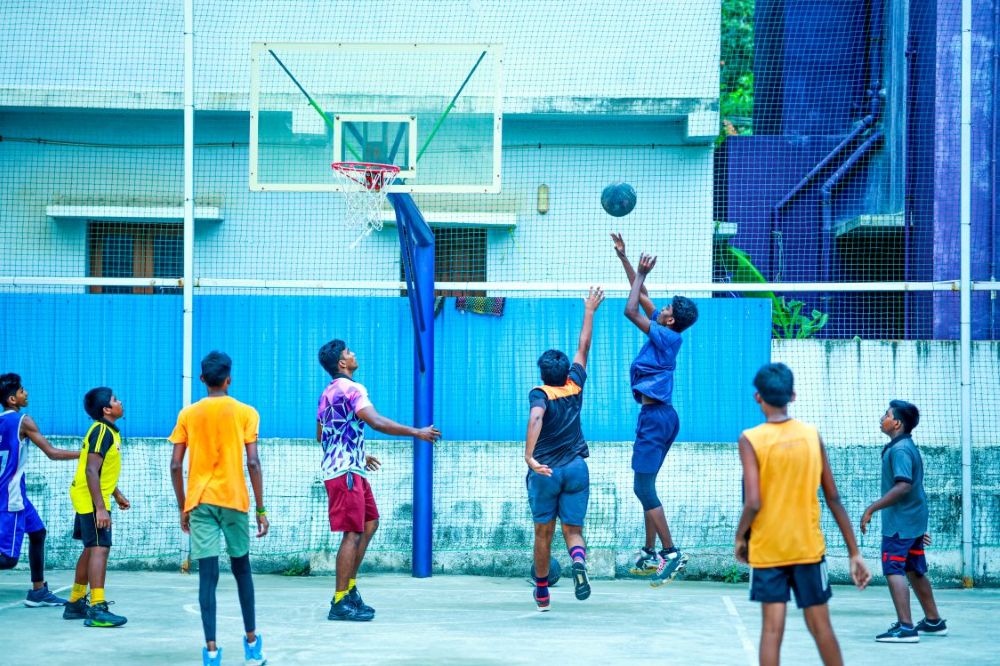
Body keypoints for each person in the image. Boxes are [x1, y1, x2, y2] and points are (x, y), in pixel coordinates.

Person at [735, 363, 871, 666]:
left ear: (758, 397)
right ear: (793, 395)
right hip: (807, 548)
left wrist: (740, 537)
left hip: (768, 549)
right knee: (822, 628)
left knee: (771, 631)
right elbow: (833, 497)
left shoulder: (750, 439)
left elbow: (753, 502)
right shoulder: (811, 435)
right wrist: (854, 552)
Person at [317, 339, 441, 622]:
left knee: (370, 523)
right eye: (348, 352)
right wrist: (417, 432)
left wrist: (358, 452)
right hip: (345, 472)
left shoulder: (326, 393)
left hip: (349, 467)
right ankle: (339, 601)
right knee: (352, 532)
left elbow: (322, 435)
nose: (353, 354)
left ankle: (349, 590)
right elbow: (376, 422)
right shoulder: (353, 389)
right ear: (342, 363)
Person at [169, 352, 268, 666]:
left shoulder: (188, 414)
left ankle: (211, 652)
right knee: (242, 570)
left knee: (207, 577)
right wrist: (261, 509)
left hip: (200, 502)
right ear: (229, 379)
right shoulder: (246, 412)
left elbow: (175, 465)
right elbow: (253, 462)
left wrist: (184, 505)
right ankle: (252, 645)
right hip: (234, 499)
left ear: (202, 379)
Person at [614, 240, 699, 587]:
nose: (660, 306)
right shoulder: (664, 328)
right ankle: (650, 553)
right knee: (647, 486)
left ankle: (670, 552)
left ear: (671, 319)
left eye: (665, 307)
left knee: (642, 487)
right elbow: (642, 294)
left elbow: (630, 309)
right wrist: (626, 261)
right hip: (662, 417)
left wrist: (641, 274)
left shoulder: (668, 337)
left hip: (656, 418)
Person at [525, 287, 605, 611]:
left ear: (543, 374)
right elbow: (583, 346)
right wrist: (589, 310)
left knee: (543, 534)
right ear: (564, 371)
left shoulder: (540, 393)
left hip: (546, 471)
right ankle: (579, 563)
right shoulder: (575, 385)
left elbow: (536, 417)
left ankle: (543, 593)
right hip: (575, 468)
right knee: (573, 530)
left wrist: (529, 457)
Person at [861, 400, 947, 642]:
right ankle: (933, 621)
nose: (882, 418)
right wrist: (917, 528)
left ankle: (906, 628)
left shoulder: (900, 450)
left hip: (900, 524)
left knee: (893, 568)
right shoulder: (904, 446)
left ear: (897, 423)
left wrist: (871, 508)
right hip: (912, 521)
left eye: (887, 415)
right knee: (913, 569)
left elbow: (903, 486)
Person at [0, 373, 78, 607]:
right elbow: (52, 453)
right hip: (10, 496)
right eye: (22, 391)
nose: (26, 393)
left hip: (16, 493)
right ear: (12, 399)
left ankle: (38, 591)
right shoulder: (23, 421)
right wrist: (86, 454)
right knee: (8, 559)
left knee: (38, 533)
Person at [63, 387, 130, 627]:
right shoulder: (102, 431)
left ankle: (75, 602)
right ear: (107, 409)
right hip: (92, 498)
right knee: (100, 548)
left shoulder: (108, 431)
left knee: (91, 548)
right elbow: (91, 470)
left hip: (90, 496)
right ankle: (97, 607)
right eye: (115, 399)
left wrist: (117, 494)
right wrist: (100, 508)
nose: (120, 401)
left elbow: (102, 470)